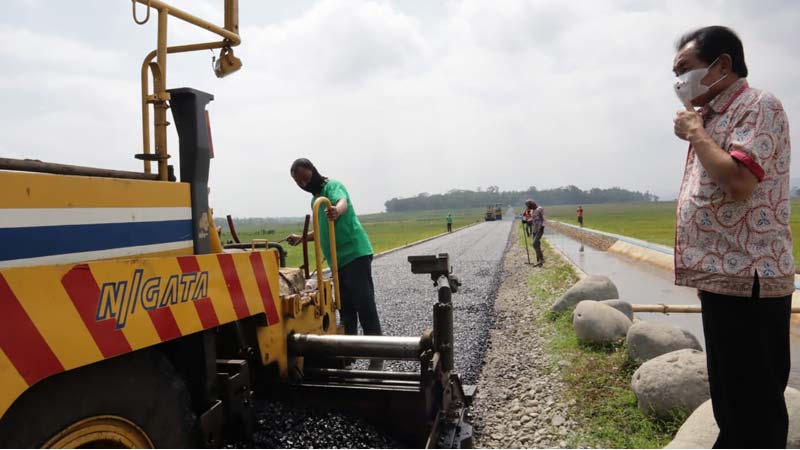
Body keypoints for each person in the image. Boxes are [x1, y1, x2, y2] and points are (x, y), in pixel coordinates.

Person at [672, 26, 794, 448]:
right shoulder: (714, 116)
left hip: (752, 282)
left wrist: (696, 134)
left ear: (722, 65)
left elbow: (740, 182)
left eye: (685, 69)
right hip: (726, 281)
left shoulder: (757, 105)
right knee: (730, 400)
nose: (677, 82)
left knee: (754, 409)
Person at [285, 158, 383, 370]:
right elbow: (322, 231)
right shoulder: (315, 201)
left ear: (313, 170)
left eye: (304, 177)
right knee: (346, 308)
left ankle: (378, 354)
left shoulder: (332, 186)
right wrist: (302, 238)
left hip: (355, 254)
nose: (303, 183)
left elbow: (342, 202)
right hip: (338, 262)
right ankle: (349, 354)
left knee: (364, 304)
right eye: (298, 181)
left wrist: (337, 210)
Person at [530, 201, 545, 266]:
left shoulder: (539, 209)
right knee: (537, 245)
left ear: (532, 205)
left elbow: (542, 219)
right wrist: (526, 221)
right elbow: (533, 220)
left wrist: (541, 227)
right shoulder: (532, 211)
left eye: (529, 206)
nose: (529, 207)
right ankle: (539, 261)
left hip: (539, 230)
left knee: (534, 243)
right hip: (534, 230)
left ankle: (541, 259)